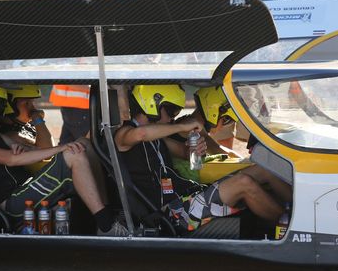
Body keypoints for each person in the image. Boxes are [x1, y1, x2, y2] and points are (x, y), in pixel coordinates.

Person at [114, 84, 290, 233]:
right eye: (171, 110)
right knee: (243, 182)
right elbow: (141, 133)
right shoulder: (123, 135)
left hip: (187, 196)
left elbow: (183, 152)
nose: (173, 117)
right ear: (154, 103)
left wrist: (195, 148)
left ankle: (301, 213)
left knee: (263, 169)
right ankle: (290, 224)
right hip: (171, 213)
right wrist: (183, 125)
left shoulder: (157, 137)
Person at [0, 84, 128, 236]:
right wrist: (62, 148)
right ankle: (106, 225)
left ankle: (107, 216)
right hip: (12, 204)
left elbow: (40, 150)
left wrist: (26, 147)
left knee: (83, 145)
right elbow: (11, 160)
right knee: (72, 153)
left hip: (24, 189)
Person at [1, 85, 54, 149]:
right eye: (27, 103)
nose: (33, 108)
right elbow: (46, 151)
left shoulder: (28, 126)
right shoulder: (9, 135)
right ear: (9, 105)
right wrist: (38, 120)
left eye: (32, 103)